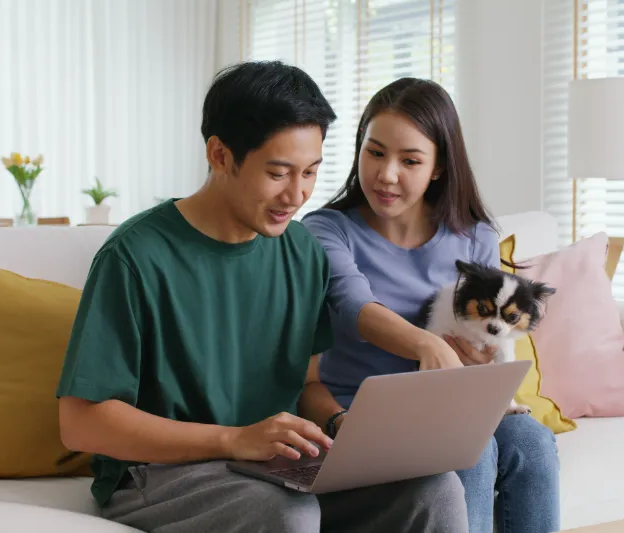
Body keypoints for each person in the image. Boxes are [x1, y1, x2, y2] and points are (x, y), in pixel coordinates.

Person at [55, 61, 469, 533]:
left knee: (435, 490)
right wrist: (235, 439)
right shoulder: (134, 257)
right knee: (285, 513)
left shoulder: (302, 251)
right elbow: (81, 423)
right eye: (278, 173)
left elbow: (308, 384)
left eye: (310, 172)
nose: (297, 195)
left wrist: (338, 425)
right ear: (219, 154)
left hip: (275, 466)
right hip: (160, 473)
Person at [301, 77, 560, 533]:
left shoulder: (476, 236)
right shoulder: (327, 230)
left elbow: (487, 348)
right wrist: (429, 346)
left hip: (452, 408)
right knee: (472, 452)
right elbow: (351, 303)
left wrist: (482, 363)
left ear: (438, 167)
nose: (386, 174)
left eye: (410, 160)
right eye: (375, 152)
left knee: (532, 441)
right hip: (363, 422)